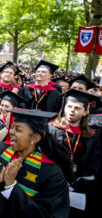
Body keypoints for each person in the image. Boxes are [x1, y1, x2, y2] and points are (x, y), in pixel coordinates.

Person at [0, 109, 72, 218]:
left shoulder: (51, 172)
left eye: (18, 129)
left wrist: (11, 187)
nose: (11, 132)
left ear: (35, 138)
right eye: (12, 127)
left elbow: (46, 214)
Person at [48, 89, 102, 218]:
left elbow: (93, 166)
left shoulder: (92, 137)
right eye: (69, 106)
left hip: (79, 190)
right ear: (64, 107)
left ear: (86, 111)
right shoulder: (50, 130)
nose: (72, 110)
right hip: (52, 187)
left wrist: (77, 183)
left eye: (77, 108)